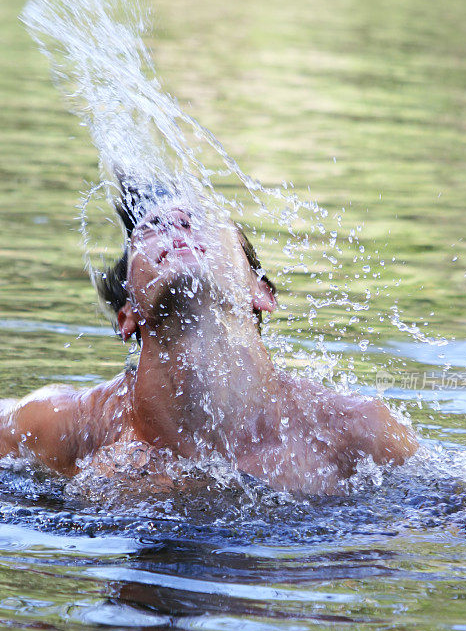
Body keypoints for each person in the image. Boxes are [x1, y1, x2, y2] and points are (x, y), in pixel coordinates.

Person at [0, 176, 417, 495]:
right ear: (128, 316)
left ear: (260, 293)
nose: (175, 229)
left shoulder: (356, 433)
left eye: (195, 221)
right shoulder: (66, 428)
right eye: (151, 229)